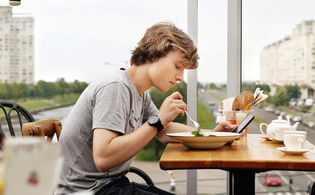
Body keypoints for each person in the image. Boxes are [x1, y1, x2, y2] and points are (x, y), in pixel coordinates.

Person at [54, 22, 237, 195]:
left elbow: (164, 131)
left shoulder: (139, 92)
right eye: (177, 66)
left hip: (111, 185)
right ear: (154, 55)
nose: (181, 76)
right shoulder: (115, 87)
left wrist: (213, 135)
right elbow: (103, 159)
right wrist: (159, 119)